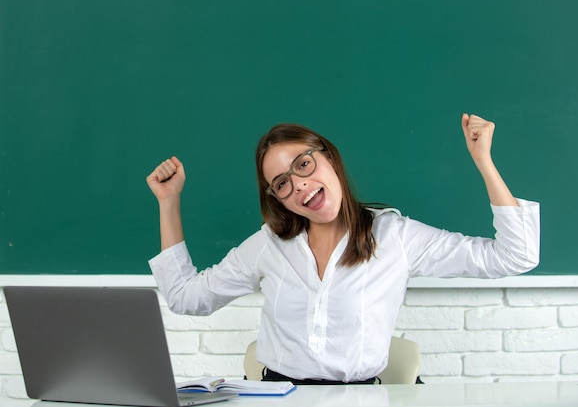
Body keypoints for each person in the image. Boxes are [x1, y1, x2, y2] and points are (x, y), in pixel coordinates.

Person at [146, 113, 540, 385]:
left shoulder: (395, 236)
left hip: (359, 396)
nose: (298, 185)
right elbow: (184, 297)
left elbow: (515, 256)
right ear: (279, 199)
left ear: (329, 158)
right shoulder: (269, 244)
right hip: (276, 396)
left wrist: (484, 161)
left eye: (303, 165)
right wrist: (169, 202)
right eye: (281, 183)